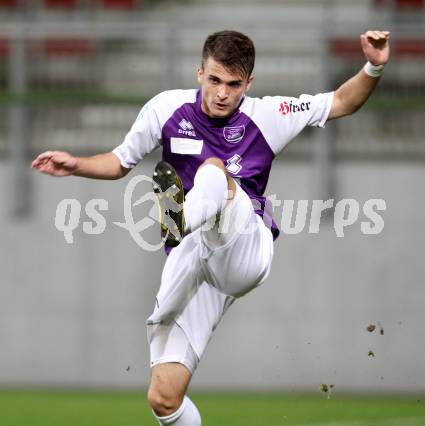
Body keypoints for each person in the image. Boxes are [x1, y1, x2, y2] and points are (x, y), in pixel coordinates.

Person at [32, 29, 390, 425]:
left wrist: (373, 65)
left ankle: (181, 218)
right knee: (164, 397)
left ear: (248, 83)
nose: (222, 92)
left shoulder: (269, 115)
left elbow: (341, 101)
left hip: (244, 246)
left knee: (213, 170)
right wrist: (75, 164)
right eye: (215, 80)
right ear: (199, 72)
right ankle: (184, 222)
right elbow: (119, 162)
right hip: (194, 260)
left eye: (234, 84)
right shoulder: (166, 109)